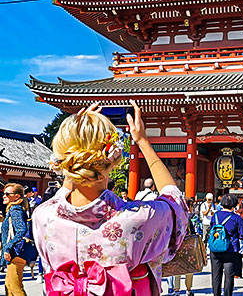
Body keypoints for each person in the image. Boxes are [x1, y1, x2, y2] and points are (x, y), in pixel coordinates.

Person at [32, 101, 188, 295]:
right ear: (112, 159)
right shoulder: (138, 218)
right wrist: (143, 142)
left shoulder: (43, 217)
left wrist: (78, 134)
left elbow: (61, 194)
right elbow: (175, 203)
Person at [209, 193, 243, 296]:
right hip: (230, 250)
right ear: (234, 204)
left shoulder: (215, 216)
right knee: (229, 277)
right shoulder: (236, 218)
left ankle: (216, 294)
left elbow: (211, 228)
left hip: (215, 249)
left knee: (216, 275)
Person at [2, 183, 30, 296]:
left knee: (15, 288)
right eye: (4, 193)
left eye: (7, 194)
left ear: (17, 196)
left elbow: (21, 230)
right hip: (15, 253)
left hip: (15, 253)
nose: (4, 196)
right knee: (9, 287)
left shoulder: (15, 209)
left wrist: (8, 247)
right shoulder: (14, 209)